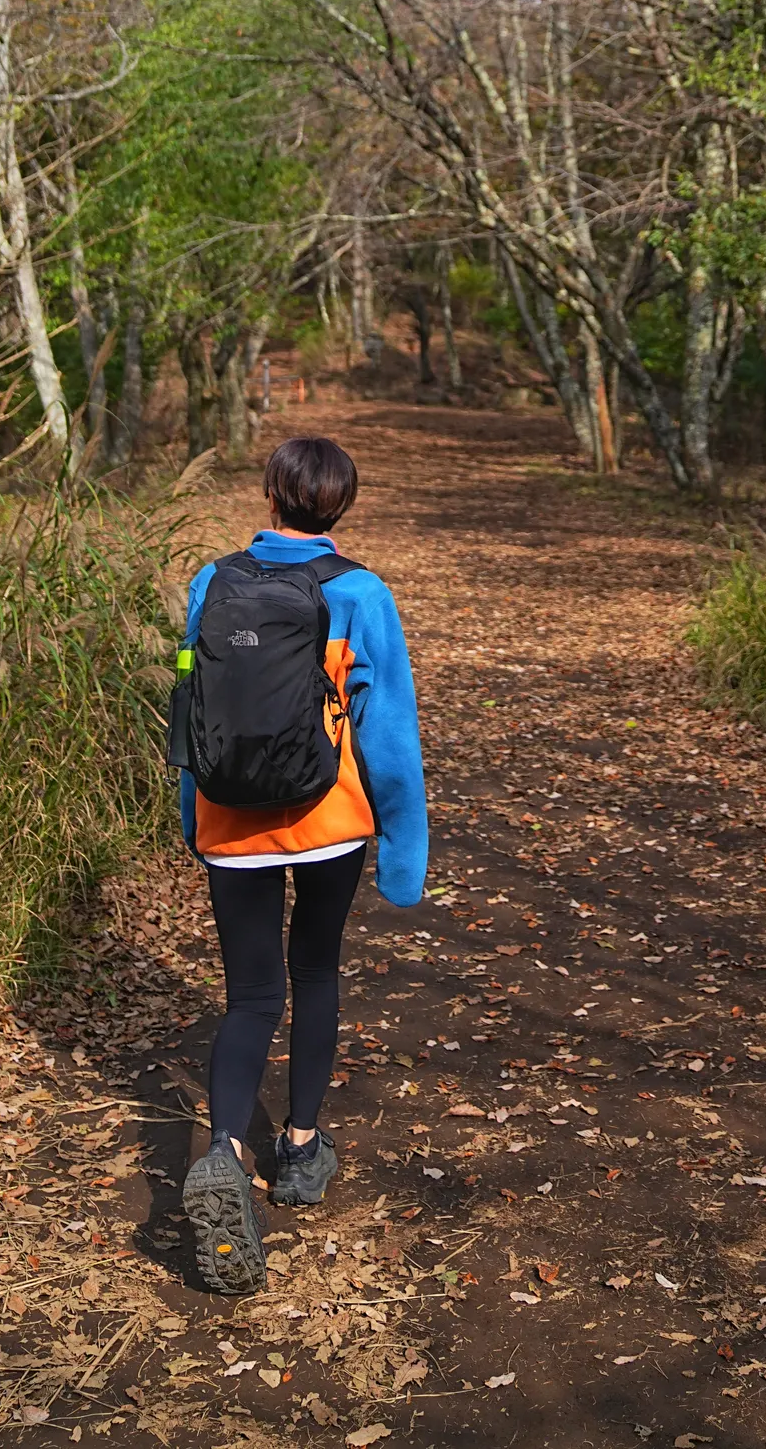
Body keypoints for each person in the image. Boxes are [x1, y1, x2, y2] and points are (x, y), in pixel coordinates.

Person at [177, 433, 426, 1295]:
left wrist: (194, 817)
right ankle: (300, 1147)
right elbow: (388, 735)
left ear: (269, 496)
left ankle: (222, 1152)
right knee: (313, 976)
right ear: (341, 507)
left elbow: (192, 711)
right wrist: (404, 850)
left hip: (229, 819)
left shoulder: (212, 583)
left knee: (249, 995)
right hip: (327, 823)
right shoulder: (361, 592)